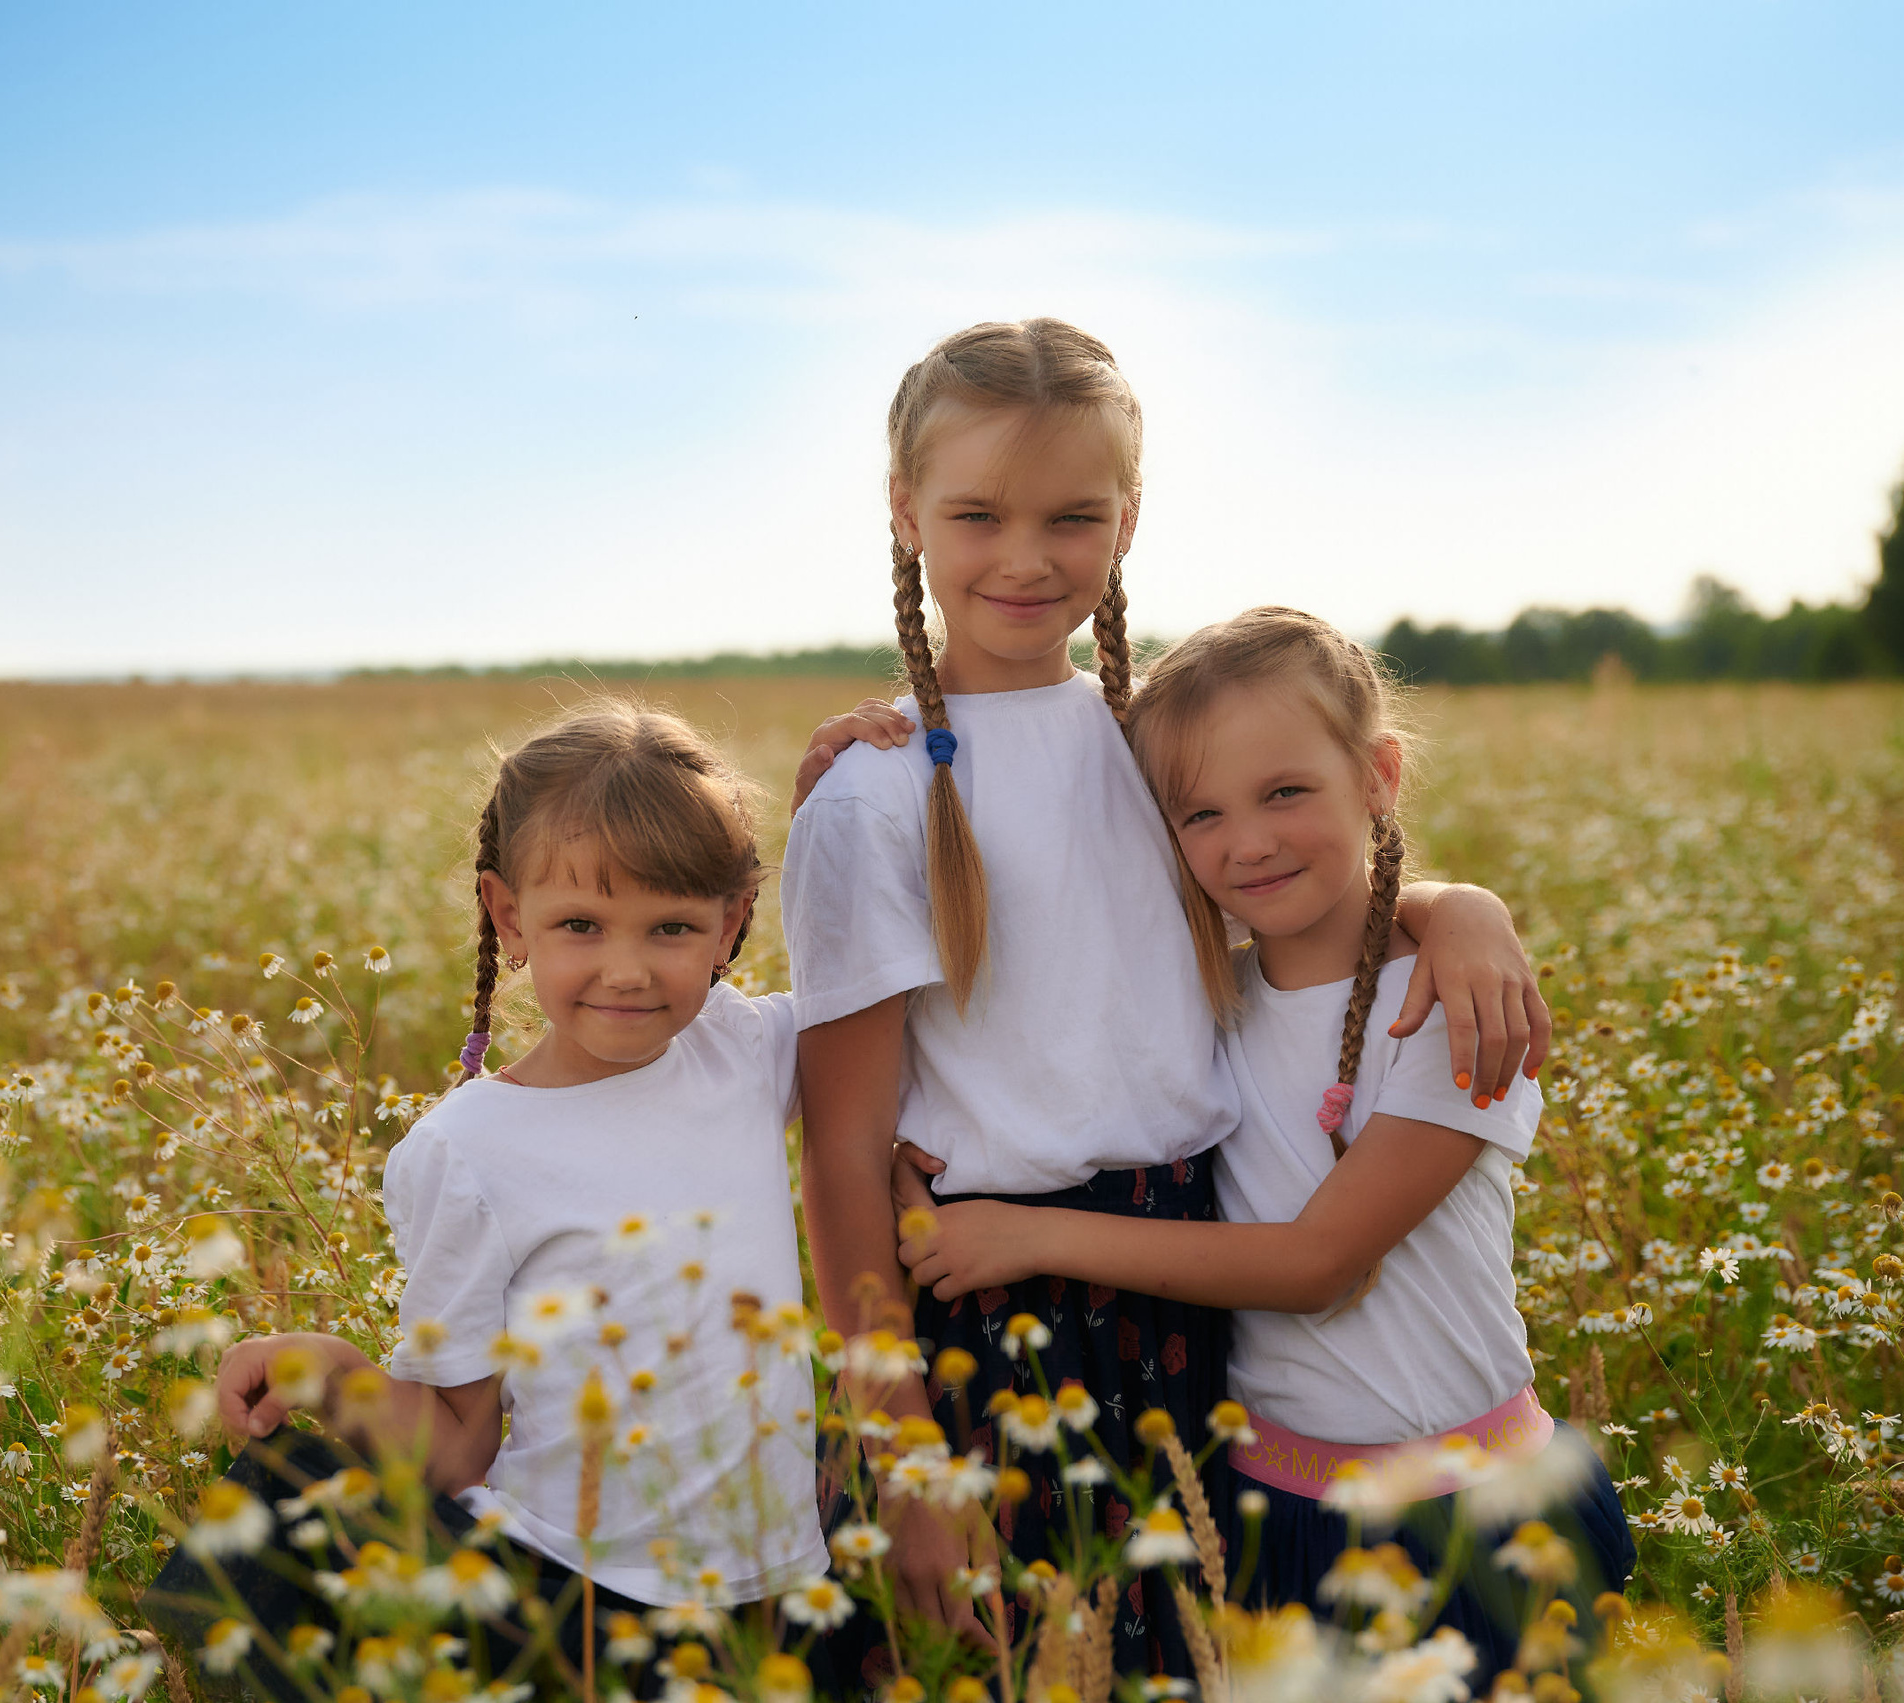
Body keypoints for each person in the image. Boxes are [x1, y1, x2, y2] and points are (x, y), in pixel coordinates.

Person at [781, 319, 1551, 1677]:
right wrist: (899, 1444)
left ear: (1127, 521)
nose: (1027, 555)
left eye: (1073, 515)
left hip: (1197, 1298)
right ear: (904, 512)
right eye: (977, 513)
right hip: (988, 1303)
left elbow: (1287, 882)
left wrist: (1453, 907)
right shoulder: (871, 796)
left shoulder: (1148, 749)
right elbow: (842, 1151)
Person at [893, 607, 1634, 1691]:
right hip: (1268, 1515)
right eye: (1200, 812)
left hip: (1474, 1518)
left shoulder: (1450, 1009)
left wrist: (1023, 1233)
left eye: (1285, 791)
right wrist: (891, 730)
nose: (1247, 840)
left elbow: (1314, 1262)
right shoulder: (1199, 1001)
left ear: (1378, 774)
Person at [150, 703, 827, 1696]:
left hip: (776, 1592)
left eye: (673, 926)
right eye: (580, 925)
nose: (628, 969)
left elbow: (883, 985)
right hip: (574, 1593)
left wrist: (845, 791)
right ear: (509, 916)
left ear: (732, 920)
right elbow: (462, 1442)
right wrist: (335, 1373)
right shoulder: (465, 1149)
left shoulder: (746, 1048)